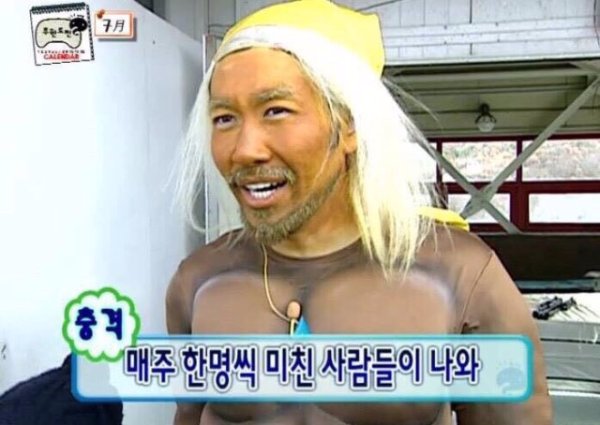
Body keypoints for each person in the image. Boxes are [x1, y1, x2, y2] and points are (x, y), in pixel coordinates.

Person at [166, 0, 553, 423]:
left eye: (276, 111)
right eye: (224, 118)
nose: (244, 150)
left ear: (350, 125)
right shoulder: (197, 281)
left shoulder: (462, 275)